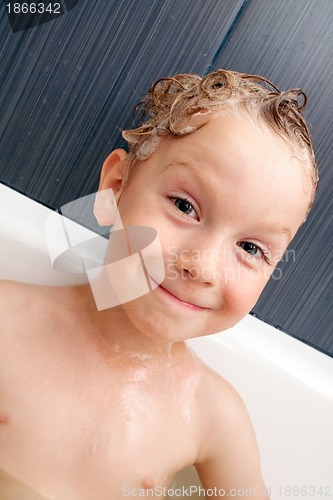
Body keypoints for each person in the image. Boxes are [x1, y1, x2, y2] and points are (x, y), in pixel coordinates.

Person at [0, 69, 318, 499]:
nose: (202, 267)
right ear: (115, 189)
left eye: (250, 248)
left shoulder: (211, 416)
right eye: (185, 206)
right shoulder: (7, 322)